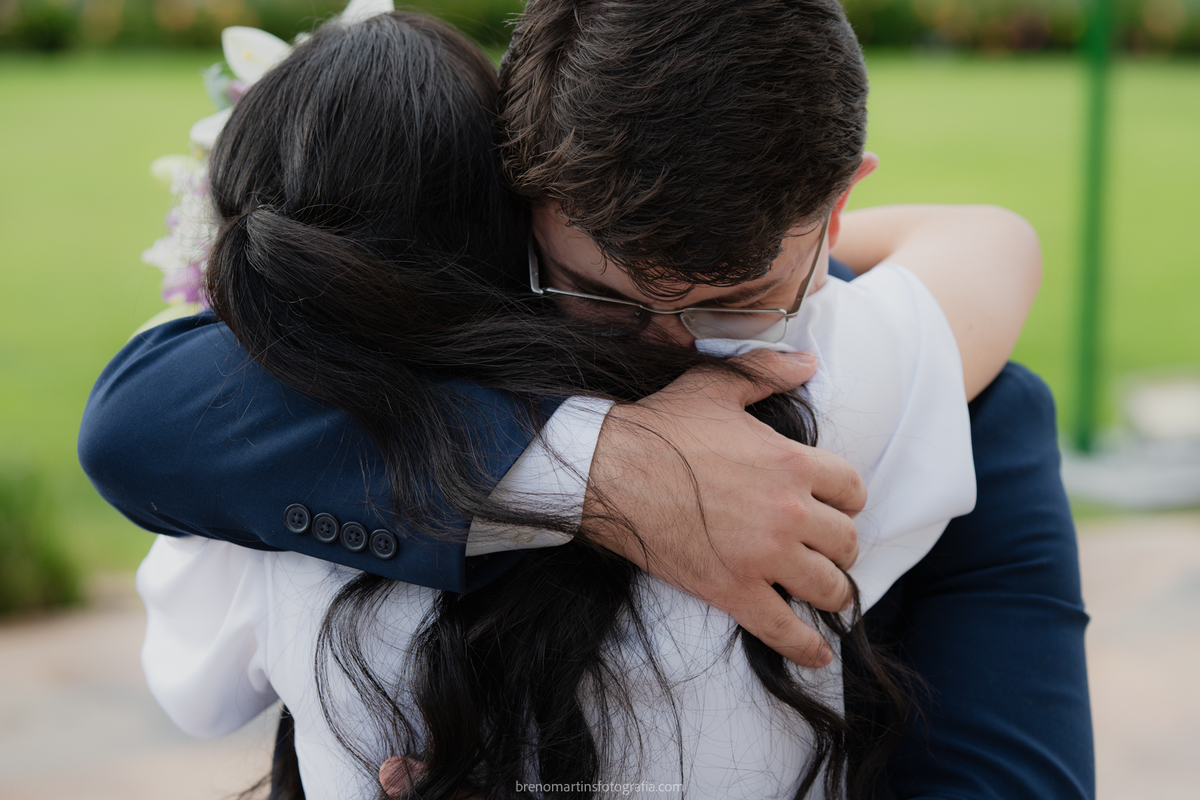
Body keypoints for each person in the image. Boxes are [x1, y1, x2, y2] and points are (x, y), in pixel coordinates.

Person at [79, 1, 1092, 798]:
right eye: (602, 296)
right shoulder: (902, 369)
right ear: (519, 189)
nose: (664, 351)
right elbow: (143, 415)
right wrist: (605, 467)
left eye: (734, 305)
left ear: (839, 206)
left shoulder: (972, 410)